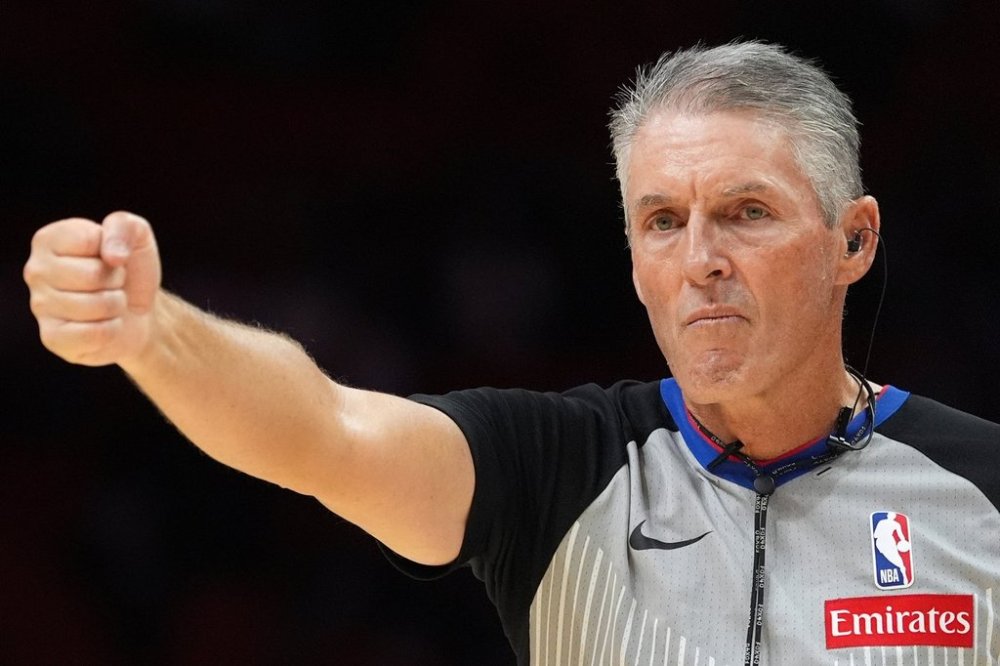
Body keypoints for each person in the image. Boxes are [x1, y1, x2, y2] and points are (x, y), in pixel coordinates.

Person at [23, 41, 1000, 665]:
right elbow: (322, 429)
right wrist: (154, 334)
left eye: (746, 213)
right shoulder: (558, 471)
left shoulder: (981, 488)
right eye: (662, 221)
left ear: (853, 240)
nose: (700, 260)